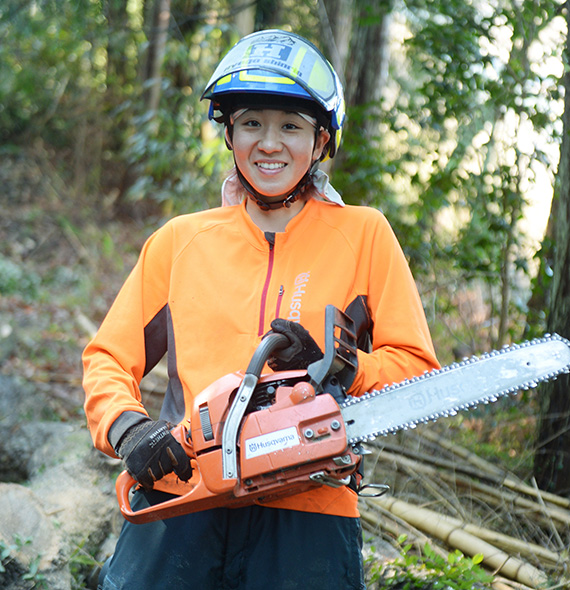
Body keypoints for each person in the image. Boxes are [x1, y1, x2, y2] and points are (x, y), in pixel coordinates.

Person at [83, 29, 439, 590]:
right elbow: (107, 358)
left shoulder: (364, 235)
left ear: (321, 140)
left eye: (290, 127)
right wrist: (130, 432)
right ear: (229, 133)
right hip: (185, 494)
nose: (269, 143)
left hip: (309, 508)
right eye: (252, 122)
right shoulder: (180, 241)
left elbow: (417, 368)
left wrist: (343, 365)